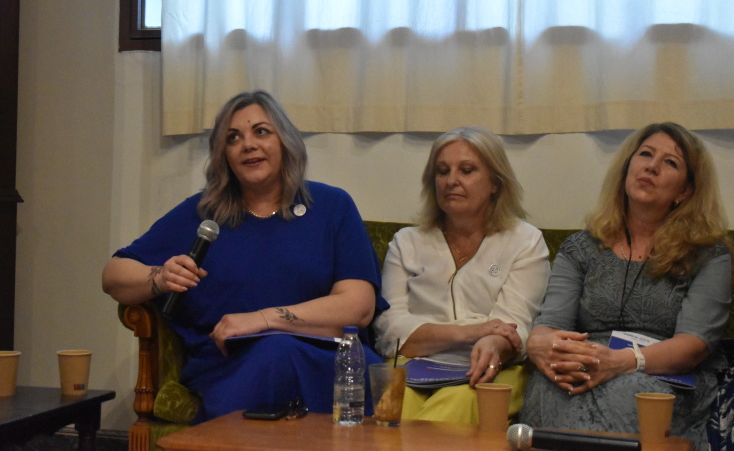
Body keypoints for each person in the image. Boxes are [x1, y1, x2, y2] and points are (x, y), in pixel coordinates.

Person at [102, 90, 387, 421]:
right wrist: (159, 277)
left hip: (326, 356)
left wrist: (263, 319)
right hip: (233, 363)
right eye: (233, 138)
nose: (248, 145)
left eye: (261, 131)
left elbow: (358, 306)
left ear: (286, 141)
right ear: (223, 154)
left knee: (290, 353)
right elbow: (114, 274)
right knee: (275, 355)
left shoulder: (332, 206)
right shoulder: (203, 214)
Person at [520, 122, 732, 451]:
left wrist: (622, 361)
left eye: (670, 162)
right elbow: (549, 324)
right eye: (645, 154)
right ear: (627, 169)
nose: (652, 166)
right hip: (584, 364)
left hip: (661, 375)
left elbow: (694, 344)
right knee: (549, 385)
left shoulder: (709, 255)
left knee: (628, 393)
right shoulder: (580, 248)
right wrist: (541, 345)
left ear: (685, 191)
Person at [373, 126, 550, 425]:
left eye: (466, 170)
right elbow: (390, 331)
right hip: (414, 368)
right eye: (442, 171)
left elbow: (514, 328)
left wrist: (490, 341)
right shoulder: (407, 242)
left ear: (495, 183)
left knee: (451, 407)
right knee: (394, 412)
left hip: (490, 370)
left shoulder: (525, 241)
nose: (451, 180)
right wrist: (471, 332)